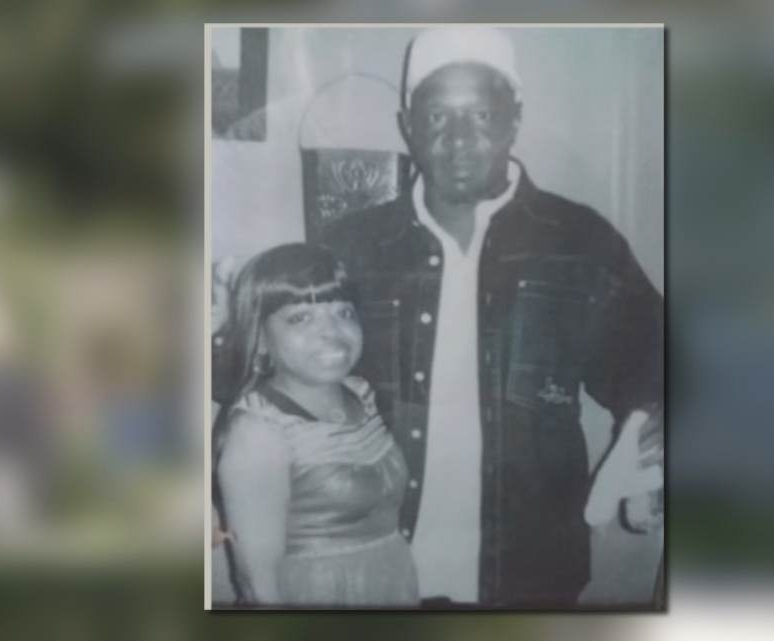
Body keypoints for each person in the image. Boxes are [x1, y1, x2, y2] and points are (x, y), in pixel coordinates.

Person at [321, 27, 664, 607]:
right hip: (374, 564)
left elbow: (650, 362)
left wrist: (651, 423)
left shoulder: (580, 240)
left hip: (530, 570)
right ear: (407, 125)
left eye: (481, 114)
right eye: (437, 116)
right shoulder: (351, 244)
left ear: (515, 118)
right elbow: (274, 374)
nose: (458, 138)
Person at [213, 243, 419, 607]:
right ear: (260, 337)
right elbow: (259, 587)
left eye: (344, 312)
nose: (332, 331)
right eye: (301, 318)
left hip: (389, 585)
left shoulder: (360, 393)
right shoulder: (259, 431)